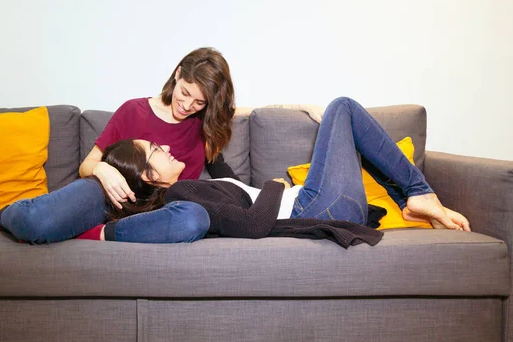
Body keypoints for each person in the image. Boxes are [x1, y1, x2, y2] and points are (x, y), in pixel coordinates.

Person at [0, 47, 236, 244]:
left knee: (196, 218)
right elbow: (87, 166)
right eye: (185, 93)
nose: (187, 105)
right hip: (105, 198)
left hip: (156, 212)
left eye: (199, 102)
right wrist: (103, 170)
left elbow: (224, 176)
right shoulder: (134, 111)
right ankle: (4, 216)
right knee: (37, 224)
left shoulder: (205, 126)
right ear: (178, 74)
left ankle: (101, 234)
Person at [80, 97, 471, 246]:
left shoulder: (198, 185)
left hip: (316, 204)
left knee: (339, 114)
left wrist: (295, 106)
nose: (166, 146)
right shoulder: (183, 196)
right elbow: (255, 224)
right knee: (343, 108)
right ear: (149, 177)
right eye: (157, 150)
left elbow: (236, 114)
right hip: (314, 208)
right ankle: (418, 193)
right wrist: (273, 185)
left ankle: (412, 197)